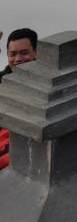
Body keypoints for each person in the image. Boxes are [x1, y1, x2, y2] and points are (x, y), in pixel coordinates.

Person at [0, 27, 38, 171]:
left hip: (28, 140)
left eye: (24, 53)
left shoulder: (47, 82)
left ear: (36, 52)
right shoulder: (1, 80)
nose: (18, 59)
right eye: (13, 54)